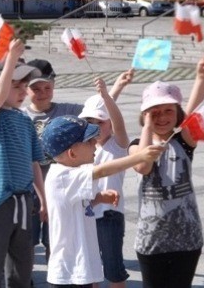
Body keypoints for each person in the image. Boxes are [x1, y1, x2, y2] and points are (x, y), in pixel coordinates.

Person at [22, 59, 133, 260]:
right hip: (33, 182)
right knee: (28, 238)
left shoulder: (67, 111)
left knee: (54, 236)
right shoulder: (21, 116)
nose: (42, 93)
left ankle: (55, 264)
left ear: (54, 86)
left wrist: (114, 89)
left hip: (67, 179)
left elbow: (99, 112)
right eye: (35, 88)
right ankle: (26, 276)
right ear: (25, 89)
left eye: (47, 87)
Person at [41, 116, 163, 287]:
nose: (95, 143)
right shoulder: (62, 176)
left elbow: (75, 207)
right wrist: (139, 157)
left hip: (79, 269)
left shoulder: (70, 172)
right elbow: (102, 171)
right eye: (89, 141)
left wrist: (99, 198)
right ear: (72, 153)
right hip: (69, 272)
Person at [129, 54, 204, 288]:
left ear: (177, 113)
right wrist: (147, 126)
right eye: (154, 112)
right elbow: (143, 166)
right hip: (151, 239)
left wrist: (201, 77)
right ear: (144, 116)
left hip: (187, 238)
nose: (162, 117)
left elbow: (194, 111)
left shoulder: (183, 141)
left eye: (168, 110)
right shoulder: (137, 145)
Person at [0, 40, 47, 288]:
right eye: (15, 85)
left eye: (24, 86)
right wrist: (10, 58)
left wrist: (43, 199)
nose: (21, 91)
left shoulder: (25, 121)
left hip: (23, 200)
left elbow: (33, 162)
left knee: (22, 265)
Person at [79, 80, 130, 288]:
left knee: (113, 269)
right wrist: (113, 90)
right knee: (91, 269)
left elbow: (117, 121)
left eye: (100, 122)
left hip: (109, 214)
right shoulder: (84, 147)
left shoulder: (117, 145)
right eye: (90, 122)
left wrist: (109, 96)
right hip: (87, 212)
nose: (95, 127)